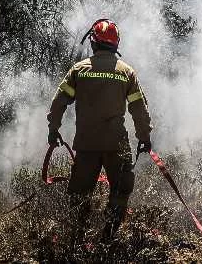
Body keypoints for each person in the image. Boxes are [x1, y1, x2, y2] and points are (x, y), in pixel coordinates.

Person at [48, 18, 153, 245]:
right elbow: (139, 109)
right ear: (116, 45)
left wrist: (53, 129)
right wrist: (144, 137)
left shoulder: (79, 70)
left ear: (93, 44)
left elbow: (59, 102)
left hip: (86, 145)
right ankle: (108, 237)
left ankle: (76, 242)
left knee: (79, 196)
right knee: (120, 191)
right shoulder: (126, 72)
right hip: (117, 144)